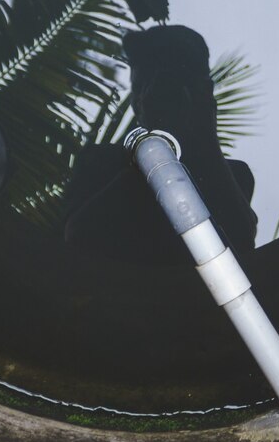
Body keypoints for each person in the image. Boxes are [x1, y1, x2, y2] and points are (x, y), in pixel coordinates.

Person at [63, 25, 258, 265]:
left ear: (203, 91)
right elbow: (76, 239)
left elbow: (241, 244)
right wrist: (154, 154)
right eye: (138, 87)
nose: (146, 96)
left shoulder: (236, 175)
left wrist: (204, 137)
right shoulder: (100, 161)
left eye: (163, 83)